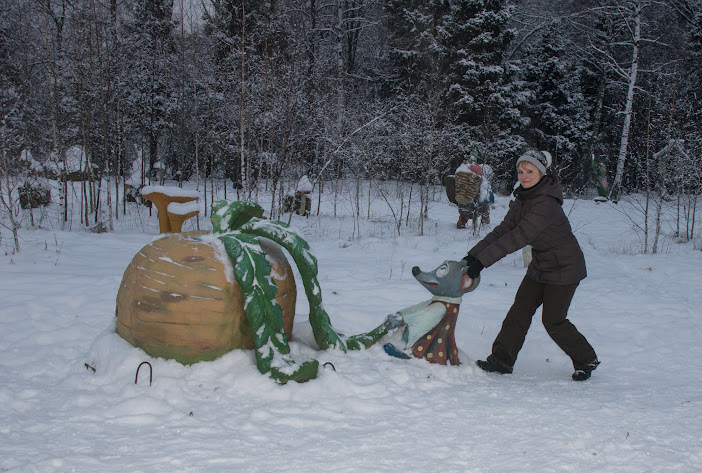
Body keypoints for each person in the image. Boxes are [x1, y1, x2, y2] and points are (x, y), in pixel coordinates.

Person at [462, 150, 600, 381]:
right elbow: (504, 230)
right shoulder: (524, 197)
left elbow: (519, 236)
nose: (524, 176)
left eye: (530, 171)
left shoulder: (546, 203)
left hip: (565, 268)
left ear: (542, 173)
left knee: (553, 321)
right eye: (520, 171)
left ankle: (586, 359)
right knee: (519, 312)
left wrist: (482, 263)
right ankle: (501, 361)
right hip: (541, 265)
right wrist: (473, 256)